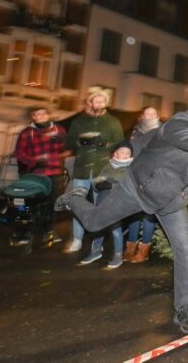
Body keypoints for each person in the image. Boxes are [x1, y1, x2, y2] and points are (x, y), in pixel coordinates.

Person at [55, 88, 188, 333]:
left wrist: (183, 194)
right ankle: (73, 198)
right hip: (135, 189)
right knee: (94, 223)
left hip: (170, 202)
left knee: (185, 252)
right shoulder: (178, 125)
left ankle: (184, 309)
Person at [62, 89, 124, 253]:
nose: (99, 104)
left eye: (102, 101)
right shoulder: (79, 121)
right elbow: (68, 143)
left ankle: (98, 241)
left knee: (100, 206)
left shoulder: (113, 121)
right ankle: (77, 240)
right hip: (82, 169)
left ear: (106, 103)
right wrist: (79, 142)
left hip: (101, 169)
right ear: (90, 103)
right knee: (78, 204)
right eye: (96, 101)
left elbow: (120, 143)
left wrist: (106, 145)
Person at [12, 106, 68, 244]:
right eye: (37, 114)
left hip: (55, 173)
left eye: (43, 113)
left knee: (52, 204)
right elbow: (19, 153)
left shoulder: (59, 130)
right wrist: (35, 160)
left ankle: (48, 231)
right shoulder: (26, 132)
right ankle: (26, 231)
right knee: (28, 204)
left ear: (48, 115)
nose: (41, 116)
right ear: (33, 117)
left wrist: (61, 147)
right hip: (35, 174)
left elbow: (68, 148)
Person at [79, 142, 135, 269]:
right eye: (122, 152)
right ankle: (96, 251)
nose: (126, 155)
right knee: (98, 227)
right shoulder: (108, 166)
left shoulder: (131, 168)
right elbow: (97, 181)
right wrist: (97, 184)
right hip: (102, 202)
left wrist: (111, 184)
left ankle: (118, 255)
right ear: (115, 153)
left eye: (128, 153)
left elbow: (128, 185)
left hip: (117, 204)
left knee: (116, 230)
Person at [124, 106, 162, 263]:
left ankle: (144, 249)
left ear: (157, 116)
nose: (151, 116)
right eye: (148, 113)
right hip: (134, 174)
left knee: (148, 214)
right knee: (133, 213)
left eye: (154, 113)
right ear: (143, 116)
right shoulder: (135, 131)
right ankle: (130, 248)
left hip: (152, 176)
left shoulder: (162, 132)